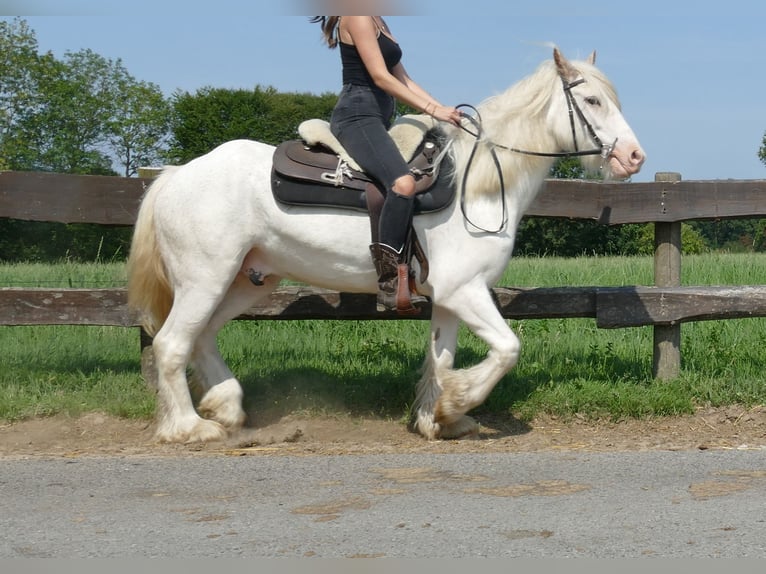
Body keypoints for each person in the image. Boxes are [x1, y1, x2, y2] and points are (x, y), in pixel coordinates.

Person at [311, 15, 462, 314]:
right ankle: (390, 282)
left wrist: (443, 111)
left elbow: (403, 78)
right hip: (356, 117)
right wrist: (433, 109)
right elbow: (381, 77)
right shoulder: (357, 16)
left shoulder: (379, 20)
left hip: (377, 118)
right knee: (403, 183)